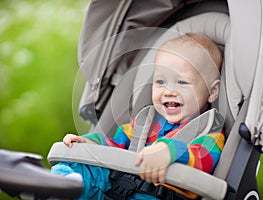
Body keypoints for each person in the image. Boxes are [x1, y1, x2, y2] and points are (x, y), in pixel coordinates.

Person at [51, 33, 225, 200]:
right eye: (160, 82)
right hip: (115, 188)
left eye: (182, 82)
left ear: (212, 91)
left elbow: (203, 160)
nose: (169, 91)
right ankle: (60, 188)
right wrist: (91, 144)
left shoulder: (210, 133)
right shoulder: (145, 123)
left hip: (158, 195)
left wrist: (169, 151)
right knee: (80, 167)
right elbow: (115, 146)